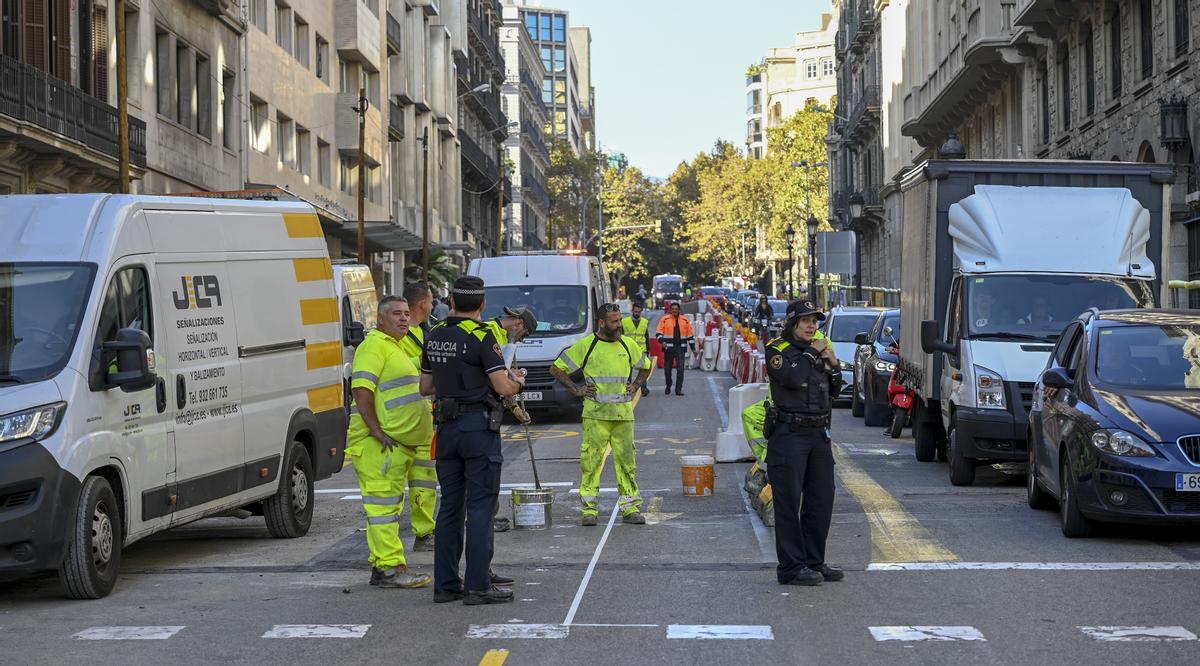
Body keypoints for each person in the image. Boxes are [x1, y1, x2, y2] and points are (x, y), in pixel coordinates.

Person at [420, 276, 524, 605]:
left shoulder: (434, 335)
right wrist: (517, 381)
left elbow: (426, 387)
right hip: (477, 429)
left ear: (451, 300)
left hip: (446, 429)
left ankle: (446, 584)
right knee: (479, 508)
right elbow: (503, 388)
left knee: (450, 507)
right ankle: (478, 585)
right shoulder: (481, 337)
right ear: (481, 304)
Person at [347, 296, 434, 589]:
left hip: (395, 445)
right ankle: (390, 570)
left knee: (387, 510)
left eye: (407, 314)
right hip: (380, 446)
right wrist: (375, 430)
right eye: (396, 314)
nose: (404, 319)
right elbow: (361, 388)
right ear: (380, 319)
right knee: (383, 511)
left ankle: (384, 566)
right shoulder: (373, 346)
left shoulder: (394, 348)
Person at [764, 299, 845, 587]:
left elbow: (836, 389)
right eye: (806, 320)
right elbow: (792, 376)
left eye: (815, 321)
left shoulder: (819, 350)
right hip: (789, 434)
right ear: (792, 323)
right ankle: (790, 567)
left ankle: (814, 561)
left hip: (818, 435)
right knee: (788, 502)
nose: (812, 326)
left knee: (821, 499)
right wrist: (813, 352)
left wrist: (834, 364)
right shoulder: (778, 350)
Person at [550, 303, 653, 526]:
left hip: (623, 416)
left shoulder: (628, 345)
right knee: (591, 461)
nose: (619, 325)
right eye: (614, 321)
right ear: (602, 322)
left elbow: (646, 365)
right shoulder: (587, 346)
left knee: (627, 463)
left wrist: (636, 385)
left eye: (620, 320)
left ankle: (630, 508)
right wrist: (575, 390)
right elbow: (556, 368)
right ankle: (589, 510)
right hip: (595, 416)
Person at [483, 306, 538, 533]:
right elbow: (500, 380)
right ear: (518, 324)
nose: (522, 340)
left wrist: (514, 408)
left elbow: (504, 374)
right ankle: (487, 515)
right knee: (485, 467)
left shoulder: (505, 340)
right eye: (524, 335)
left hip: (492, 411)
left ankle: (488, 513)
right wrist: (517, 382)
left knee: (488, 468)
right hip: (480, 410)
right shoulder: (487, 333)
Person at [396, 282, 438, 553]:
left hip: (423, 420)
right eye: (431, 301)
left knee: (424, 479)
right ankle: (394, 542)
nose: (433, 306)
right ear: (422, 303)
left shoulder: (425, 333)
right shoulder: (401, 338)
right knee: (398, 486)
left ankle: (425, 532)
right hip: (401, 422)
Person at [655, 301, 696, 396]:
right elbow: (658, 333)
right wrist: (662, 341)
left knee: (680, 369)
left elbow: (690, 336)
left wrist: (693, 349)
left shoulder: (685, 320)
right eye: (672, 309)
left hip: (680, 348)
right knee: (667, 370)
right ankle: (668, 385)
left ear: (679, 310)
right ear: (670, 310)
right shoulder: (664, 319)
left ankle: (678, 390)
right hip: (668, 348)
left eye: (676, 309)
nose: (674, 311)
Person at [622, 300, 652, 396]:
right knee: (627, 371)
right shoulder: (624, 322)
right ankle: (627, 388)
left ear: (641, 311)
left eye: (639, 312)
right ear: (632, 311)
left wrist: (648, 349)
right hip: (628, 350)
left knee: (644, 369)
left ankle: (644, 388)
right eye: (635, 312)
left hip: (641, 350)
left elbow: (646, 336)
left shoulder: (644, 322)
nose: (637, 313)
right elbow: (621, 336)